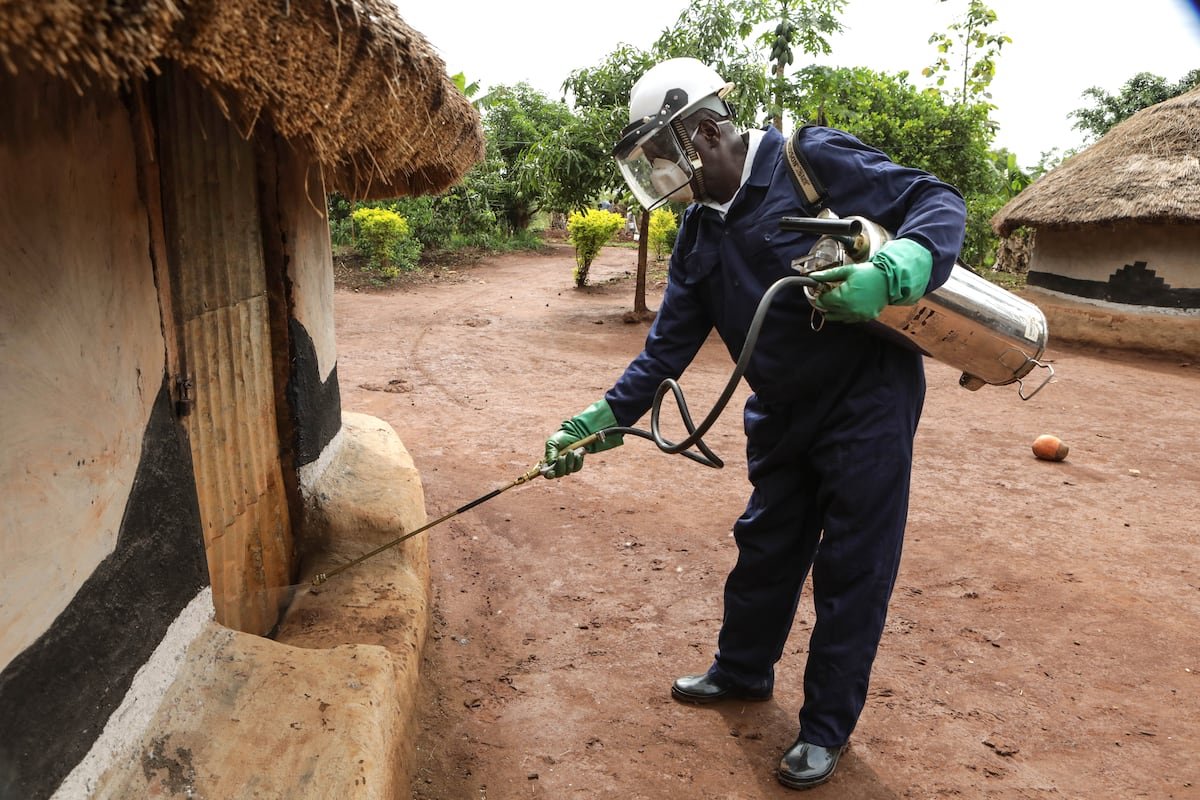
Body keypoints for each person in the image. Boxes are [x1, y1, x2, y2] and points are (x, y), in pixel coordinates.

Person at [542, 58, 966, 790]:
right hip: (779, 410)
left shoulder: (810, 161)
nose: (662, 178)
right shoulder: (699, 236)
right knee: (766, 544)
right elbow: (666, 349)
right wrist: (601, 419)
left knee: (852, 568)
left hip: (865, 403)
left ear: (705, 130)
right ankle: (742, 672)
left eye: (663, 157)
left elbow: (937, 201)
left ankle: (825, 731)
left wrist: (893, 271)